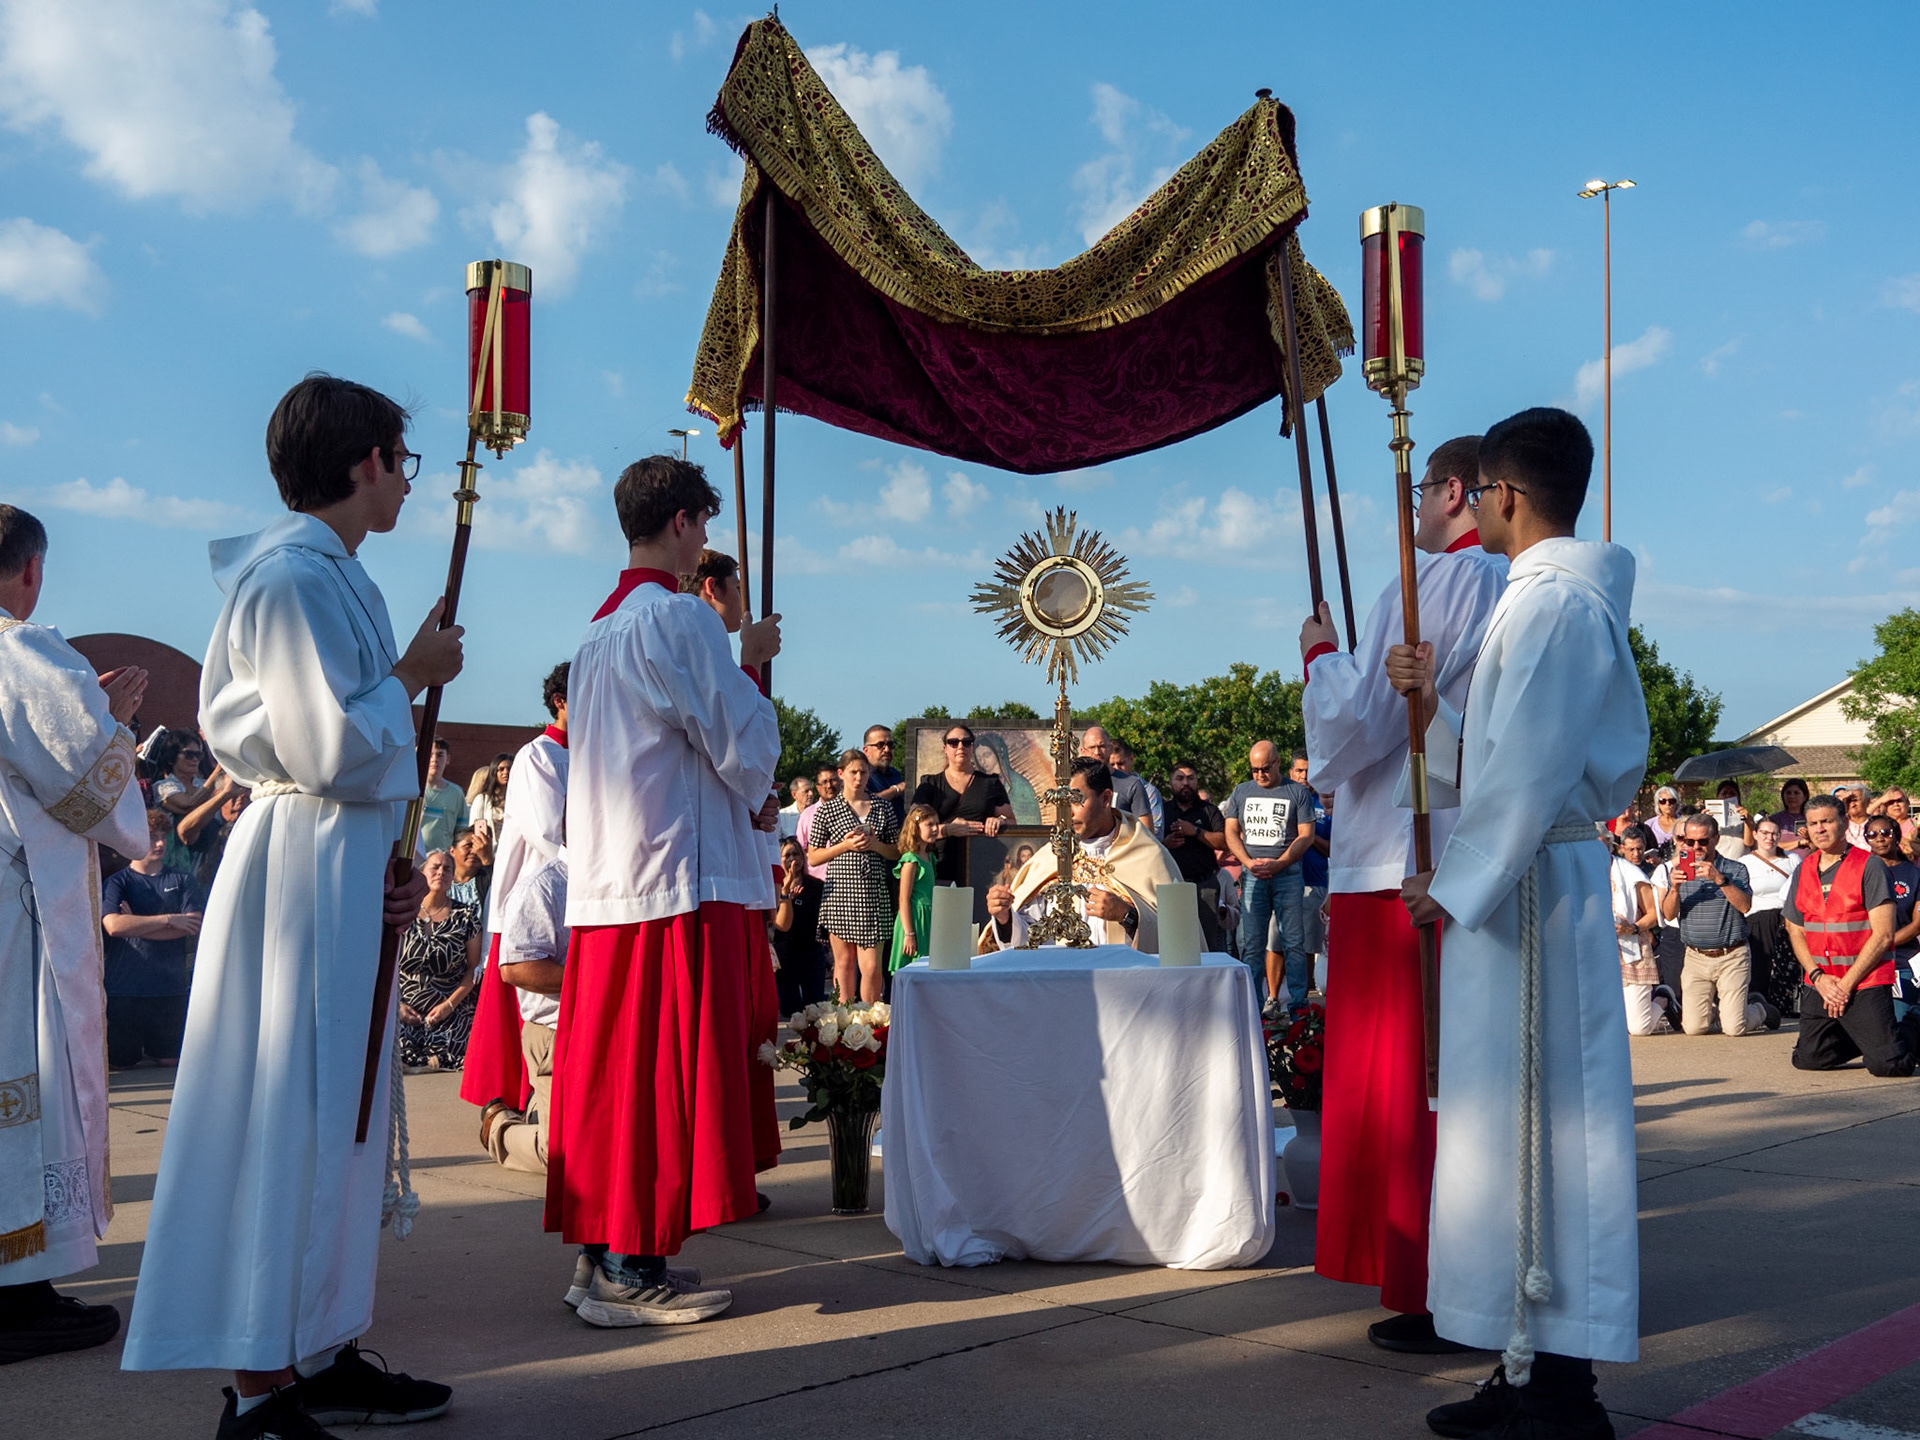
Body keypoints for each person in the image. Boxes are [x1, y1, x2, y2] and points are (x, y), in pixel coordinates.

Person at [124, 375, 460, 1434]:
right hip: (299, 868)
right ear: (366, 462)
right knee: (294, 1109)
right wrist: (412, 673)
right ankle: (261, 1385)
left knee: (342, 1115)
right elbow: (322, 747)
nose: (407, 483)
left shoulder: (334, 574)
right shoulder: (291, 581)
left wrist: (394, 865)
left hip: (341, 858)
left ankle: (319, 1339)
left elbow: (353, 756)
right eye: (401, 462)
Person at [1389, 407, 1647, 1437]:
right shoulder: (1537, 603)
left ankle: (1564, 1389)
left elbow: (1529, 776)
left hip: (1533, 893)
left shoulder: (1552, 609)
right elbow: (1496, 753)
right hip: (1524, 891)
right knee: (1510, 1137)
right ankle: (1525, 1359)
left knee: (1550, 1135)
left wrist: (1451, 885)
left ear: (1502, 496)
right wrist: (1433, 710)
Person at [549, 453, 781, 1328]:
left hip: (615, 880)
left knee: (617, 1077)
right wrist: (750, 661)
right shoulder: (681, 622)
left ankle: (600, 1253)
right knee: (657, 1078)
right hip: (671, 882)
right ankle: (626, 1267)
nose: (705, 548)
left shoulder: (595, 633)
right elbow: (740, 749)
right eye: (705, 529)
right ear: (682, 523)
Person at [1296, 431, 1508, 1353]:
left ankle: (1425, 1279)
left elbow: (1364, 727)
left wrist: (1319, 657)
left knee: (1404, 1081)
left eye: (1424, 490)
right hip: (1463, 853)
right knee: (1451, 1074)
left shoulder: (1438, 586)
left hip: (1398, 862)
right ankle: (1458, 1269)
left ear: (1455, 490)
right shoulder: (1508, 585)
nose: (1416, 507)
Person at [0, 503, 149, 1365]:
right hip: (21, 921)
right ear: (30, 571)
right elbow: (95, 798)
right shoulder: (23, 651)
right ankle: (19, 1296)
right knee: (32, 1083)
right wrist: (118, 725)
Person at [460, 661, 570, 1121]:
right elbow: (549, 830)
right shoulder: (538, 754)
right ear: (560, 702)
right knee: (526, 1001)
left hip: (571, 888)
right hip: (537, 892)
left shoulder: (593, 751)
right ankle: (514, 1104)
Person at [983, 758, 1183, 952]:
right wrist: (1005, 918)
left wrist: (1127, 916)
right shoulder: (1051, 858)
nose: (1067, 813)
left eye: (1077, 801)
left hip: (1125, 979)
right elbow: (1032, 938)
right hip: (1065, 980)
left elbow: (1179, 937)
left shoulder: (1147, 855)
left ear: (1105, 798)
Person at [1783, 794, 1919, 1076]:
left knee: (1889, 1065)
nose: (1819, 829)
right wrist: (1818, 977)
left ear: (1844, 823)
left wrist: (1844, 986)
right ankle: (1870, 1039)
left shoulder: (1870, 866)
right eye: (1813, 823)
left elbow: (1882, 936)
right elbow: (1794, 928)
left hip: (1863, 979)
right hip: (1821, 981)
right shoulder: (1804, 868)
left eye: (1827, 821)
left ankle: (1913, 1025)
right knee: (1809, 1058)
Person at [480, 851, 567, 1176]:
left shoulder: (616, 876)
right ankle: (500, 1129)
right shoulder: (543, 886)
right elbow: (515, 968)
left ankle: (537, 1109)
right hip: (553, 1034)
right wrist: (594, 978)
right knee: (564, 1154)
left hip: (608, 1029)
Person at [101, 808, 202, 1071]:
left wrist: (135, 923)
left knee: (169, 1060)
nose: (159, 844)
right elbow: (113, 926)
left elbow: (190, 925)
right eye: (150, 837)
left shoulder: (183, 880)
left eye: (162, 837)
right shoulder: (117, 882)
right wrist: (168, 919)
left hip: (169, 988)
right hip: (124, 989)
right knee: (121, 1064)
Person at [1222, 741, 1318, 1016]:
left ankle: (1298, 1005)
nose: (1260, 775)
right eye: (1254, 770)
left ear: (1277, 763)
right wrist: (1248, 862)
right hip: (1253, 875)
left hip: (1287, 874)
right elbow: (1231, 832)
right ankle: (1251, 1004)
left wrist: (1281, 863)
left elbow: (1306, 835)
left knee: (1294, 942)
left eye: (1265, 768)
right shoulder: (1241, 791)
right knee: (1251, 944)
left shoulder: (1296, 792)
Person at [1661, 814, 1773, 1035]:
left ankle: (1759, 1009)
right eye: (1689, 841)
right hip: (1695, 957)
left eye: (1702, 841)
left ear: (1716, 839)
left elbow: (1745, 906)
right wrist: (1673, 888)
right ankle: (1720, 1011)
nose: (1695, 846)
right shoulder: (1679, 870)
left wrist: (1719, 879)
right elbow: (1668, 914)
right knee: (1693, 1028)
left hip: (1731, 955)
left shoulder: (1735, 869)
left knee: (1734, 1029)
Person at [809, 749, 901, 1003]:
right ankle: (843, 1022)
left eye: (863, 772)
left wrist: (875, 846)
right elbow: (813, 856)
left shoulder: (882, 807)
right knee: (844, 963)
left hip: (872, 893)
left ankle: (871, 1023)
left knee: (871, 966)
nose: (858, 777)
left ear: (869, 773)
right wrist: (844, 846)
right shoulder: (827, 810)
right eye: (853, 772)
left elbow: (896, 850)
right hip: (839, 892)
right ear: (841, 774)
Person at [396, 850, 482, 1073]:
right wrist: (396, 1005)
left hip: (450, 1007)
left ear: (453, 877)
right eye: (435, 867)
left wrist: (449, 1005)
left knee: (452, 1051)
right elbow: (385, 967)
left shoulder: (466, 916)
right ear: (421, 872)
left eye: (447, 869)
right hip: (405, 1007)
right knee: (397, 1050)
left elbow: (473, 969)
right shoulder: (403, 912)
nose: (441, 872)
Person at [912, 722, 1012, 885]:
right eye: (953, 742)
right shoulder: (929, 784)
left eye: (966, 742)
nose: (960, 747)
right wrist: (948, 830)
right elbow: (913, 828)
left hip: (980, 869)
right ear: (945, 748)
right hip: (939, 867)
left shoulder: (991, 783)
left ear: (972, 748)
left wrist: (999, 820)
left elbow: (1012, 821)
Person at [1162, 761, 1231, 954]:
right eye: (1180, 778)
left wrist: (1196, 831)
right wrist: (1166, 843)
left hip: (1204, 886)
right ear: (1170, 783)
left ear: (1197, 781)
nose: (1186, 783)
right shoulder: (1163, 811)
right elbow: (1149, 843)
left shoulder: (1209, 811)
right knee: (1173, 944)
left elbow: (1225, 841)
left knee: (1207, 944)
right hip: (1172, 887)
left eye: (1190, 778)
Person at [1742, 818, 1800, 1017]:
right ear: (1756, 835)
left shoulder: (1792, 859)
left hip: (1787, 916)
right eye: (1765, 833)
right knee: (1761, 963)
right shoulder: (1744, 863)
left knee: (1789, 962)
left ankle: (1786, 1004)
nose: (1770, 838)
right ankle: (1760, 1004)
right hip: (1757, 918)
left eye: (1775, 833)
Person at [1864, 818, 1920, 1021]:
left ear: (1896, 835)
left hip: (1902, 962)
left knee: (1900, 1020)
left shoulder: (1914, 874)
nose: (1879, 838)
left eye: (1885, 833)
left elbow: (1916, 925)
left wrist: (1883, 943)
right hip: (1862, 962)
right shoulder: (1859, 873)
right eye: (1872, 834)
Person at [1613, 825, 1666, 1035]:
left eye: (1639, 849)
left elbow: (1654, 915)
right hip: (1601, 952)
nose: (1636, 854)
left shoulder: (1634, 874)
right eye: (1631, 849)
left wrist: (1632, 928)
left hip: (1633, 950)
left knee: (1639, 1028)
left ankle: (1663, 999)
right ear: (1621, 848)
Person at [771, 838, 828, 1014]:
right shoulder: (774, 887)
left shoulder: (816, 886)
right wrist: (786, 895)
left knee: (815, 1008)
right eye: (787, 855)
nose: (792, 859)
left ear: (803, 859)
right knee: (790, 1010)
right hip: (785, 954)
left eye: (796, 854)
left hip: (811, 952)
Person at [890, 803, 939, 972]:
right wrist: (909, 934)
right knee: (913, 968)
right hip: (914, 919)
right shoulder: (911, 860)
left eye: (936, 824)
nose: (935, 829)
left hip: (928, 917)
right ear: (915, 828)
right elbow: (903, 899)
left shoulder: (929, 857)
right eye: (929, 825)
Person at [1077, 725, 1152, 827]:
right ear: (1083, 752)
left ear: (1110, 748)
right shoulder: (1076, 786)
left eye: (1102, 746)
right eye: (1092, 747)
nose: (1097, 752)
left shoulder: (1132, 784)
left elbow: (1146, 831)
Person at [418, 737, 469, 855]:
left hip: (442, 860)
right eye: (430, 755)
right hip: (414, 858)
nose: (434, 760)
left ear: (448, 759)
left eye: (440, 755)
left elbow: (461, 833)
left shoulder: (456, 793)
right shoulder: (412, 790)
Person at [796, 765, 841, 882]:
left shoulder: (852, 810)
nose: (829, 786)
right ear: (818, 788)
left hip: (844, 882)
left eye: (833, 780)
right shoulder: (807, 815)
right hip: (816, 881)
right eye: (824, 782)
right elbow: (800, 850)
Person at [151, 727, 208, 818]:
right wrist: (216, 773)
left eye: (198, 755)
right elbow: (188, 805)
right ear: (171, 758)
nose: (195, 759)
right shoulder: (163, 786)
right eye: (189, 755)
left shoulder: (203, 783)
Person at [1111, 740, 1162, 836]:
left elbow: (1156, 831)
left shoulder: (1149, 792)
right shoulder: (1104, 788)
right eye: (1112, 765)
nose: (1116, 768)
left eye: (1121, 763)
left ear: (1131, 759)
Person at [864, 725, 908, 829]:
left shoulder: (895, 774)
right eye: (880, 745)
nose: (887, 749)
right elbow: (863, 804)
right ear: (866, 750)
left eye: (890, 744)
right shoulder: (861, 776)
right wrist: (895, 790)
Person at [467, 752, 512, 847]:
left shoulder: (520, 800)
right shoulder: (482, 799)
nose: (506, 772)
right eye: (501, 769)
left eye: (509, 769)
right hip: (490, 852)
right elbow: (474, 832)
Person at [448, 825, 490, 910]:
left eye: (477, 846)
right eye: (468, 846)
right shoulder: (442, 879)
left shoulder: (488, 880)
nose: (474, 851)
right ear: (452, 851)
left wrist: (486, 859)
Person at [1769, 777, 1811, 852]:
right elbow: (1770, 845)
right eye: (1788, 793)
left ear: (1804, 796)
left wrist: (1809, 837)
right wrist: (1799, 843)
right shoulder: (1774, 819)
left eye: (1796, 793)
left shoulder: (1812, 818)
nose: (1792, 796)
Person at [1646, 785, 1681, 850]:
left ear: (1677, 803)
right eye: (1663, 801)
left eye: (1671, 801)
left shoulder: (1685, 823)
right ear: (1658, 804)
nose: (1667, 804)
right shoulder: (1649, 824)